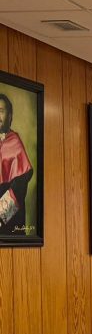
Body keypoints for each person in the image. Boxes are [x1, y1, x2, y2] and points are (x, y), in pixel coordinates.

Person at [0, 93, 33, 236]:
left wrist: (1, 214)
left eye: (1, 111)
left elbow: (20, 184)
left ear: (10, 116)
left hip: (9, 217)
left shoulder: (15, 142)